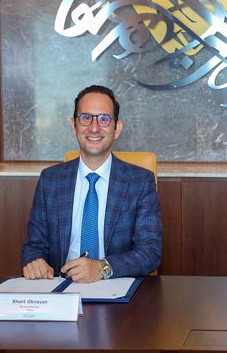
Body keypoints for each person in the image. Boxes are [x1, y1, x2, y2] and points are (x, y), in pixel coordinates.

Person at [21, 85, 162, 283]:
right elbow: (34, 245)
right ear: (74, 125)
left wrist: (102, 268)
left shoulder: (140, 182)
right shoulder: (50, 180)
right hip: (62, 289)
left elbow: (150, 252)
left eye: (104, 119)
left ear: (117, 128)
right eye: (86, 117)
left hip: (115, 288)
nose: (94, 128)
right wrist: (36, 261)